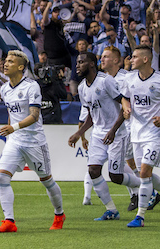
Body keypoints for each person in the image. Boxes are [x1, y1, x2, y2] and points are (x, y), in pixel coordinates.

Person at [0, 50, 65, 233]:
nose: (5, 64)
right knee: (2, 176)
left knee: (46, 180)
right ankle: (9, 221)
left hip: (34, 141)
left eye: (10, 61)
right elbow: (11, 112)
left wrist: (13, 127)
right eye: (5, 61)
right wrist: (11, 131)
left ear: (21, 67)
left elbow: (34, 116)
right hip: (15, 141)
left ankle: (59, 214)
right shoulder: (4, 88)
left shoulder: (31, 86)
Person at [68, 52, 140, 221]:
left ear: (92, 64)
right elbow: (91, 115)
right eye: (77, 62)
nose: (77, 65)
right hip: (98, 134)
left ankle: (146, 185)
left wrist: (113, 130)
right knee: (93, 171)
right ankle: (112, 210)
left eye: (81, 62)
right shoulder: (82, 87)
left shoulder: (106, 81)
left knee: (116, 177)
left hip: (117, 133)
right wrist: (79, 133)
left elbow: (123, 106)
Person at [122, 45, 160, 228]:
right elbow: (124, 97)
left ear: (145, 59)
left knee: (144, 173)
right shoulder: (130, 78)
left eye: (134, 57)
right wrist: (126, 107)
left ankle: (140, 217)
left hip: (155, 133)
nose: (131, 60)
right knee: (144, 174)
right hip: (136, 132)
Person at [99, 46, 140, 211]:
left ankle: (140, 193)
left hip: (129, 126)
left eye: (106, 56)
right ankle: (145, 192)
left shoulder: (127, 77)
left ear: (117, 60)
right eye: (101, 56)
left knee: (124, 163)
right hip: (116, 127)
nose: (101, 59)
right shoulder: (103, 80)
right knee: (125, 163)